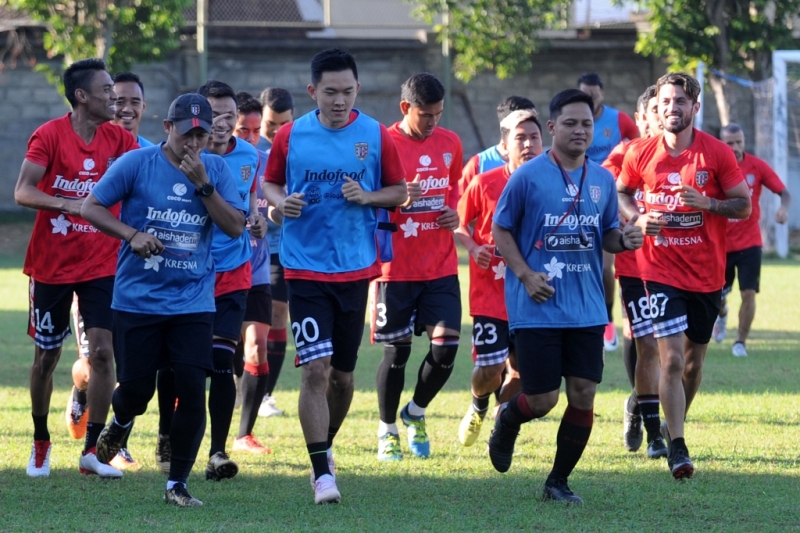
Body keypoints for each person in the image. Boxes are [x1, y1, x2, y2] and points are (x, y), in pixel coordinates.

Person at [84, 93, 245, 507]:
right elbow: (91, 206)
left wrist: (203, 186)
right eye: (186, 133)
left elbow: (233, 227)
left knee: (192, 387)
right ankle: (120, 422)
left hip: (193, 301)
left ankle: (176, 484)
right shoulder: (137, 164)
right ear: (167, 128)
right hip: (137, 300)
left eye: (201, 135)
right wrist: (132, 235)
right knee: (137, 391)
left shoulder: (218, 170)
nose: (193, 143)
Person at [263, 48, 407, 504]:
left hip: (355, 268)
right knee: (315, 372)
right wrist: (278, 203)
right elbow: (269, 183)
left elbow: (399, 193)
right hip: (303, 268)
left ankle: (326, 445)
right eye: (330, 92)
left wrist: (367, 197)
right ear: (313, 92)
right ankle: (322, 470)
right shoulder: (291, 136)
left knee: (343, 378)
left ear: (357, 90)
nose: (339, 100)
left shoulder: (376, 135)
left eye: (347, 91)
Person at [488, 88, 643, 505]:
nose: (579, 130)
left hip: (587, 307)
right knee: (541, 399)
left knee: (583, 394)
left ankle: (557, 481)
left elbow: (607, 234)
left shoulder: (603, 179)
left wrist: (624, 240)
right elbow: (500, 229)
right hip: (538, 306)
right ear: (553, 127)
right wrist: (523, 274)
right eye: (570, 123)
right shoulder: (527, 176)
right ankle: (507, 417)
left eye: (587, 124)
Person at [617, 72, 751, 480]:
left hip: (707, 275)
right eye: (665, 102)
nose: (671, 108)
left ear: (695, 108)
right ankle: (678, 447)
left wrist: (707, 203)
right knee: (670, 359)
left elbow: (742, 206)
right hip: (658, 271)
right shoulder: (640, 152)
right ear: (656, 108)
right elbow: (622, 192)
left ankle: (675, 423)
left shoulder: (717, 155)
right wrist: (639, 217)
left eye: (680, 101)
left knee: (692, 366)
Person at [14, 58, 138, 478]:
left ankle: (92, 452)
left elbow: (147, 175)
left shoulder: (120, 140)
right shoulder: (49, 135)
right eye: (106, 91)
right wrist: (68, 203)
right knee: (46, 357)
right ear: (82, 96)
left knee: (103, 354)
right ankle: (40, 441)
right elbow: (23, 191)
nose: (114, 99)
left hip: (102, 264)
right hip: (51, 266)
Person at [155, 80, 264, 479]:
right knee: (175, 366)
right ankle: (167, 433)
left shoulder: (251, 156)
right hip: (185, 273)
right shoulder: (171, 159)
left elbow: (252, 206)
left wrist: (257, 222)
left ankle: (218, 452)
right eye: (214, 115)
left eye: (229, 116)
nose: (221, 123)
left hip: (232, 272)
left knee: (221, 362)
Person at [371, 72, 463, 461]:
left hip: (440, 265)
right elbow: (366, 199)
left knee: (446, 350)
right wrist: (396, 199)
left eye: (439, 114)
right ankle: (387, 428)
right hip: (395, 269)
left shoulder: (451, 142)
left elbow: (455, 186)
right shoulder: (382, 143)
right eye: (426, 115)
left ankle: (416, 412)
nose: (433, 122)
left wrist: (453, 213)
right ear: (405, 108)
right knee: (397, 355)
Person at [65, 70, 154, 472]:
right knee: (98, 358)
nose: (126, 108)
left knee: (129, 361)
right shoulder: (85, 144)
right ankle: (81, 391)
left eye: (134, 101)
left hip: (133, 273)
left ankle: (116, 440)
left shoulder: (153, 153)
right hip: (90, 269)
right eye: (117, 100)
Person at [455, 109, 542, 447]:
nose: (529, 144)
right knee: (490, 370)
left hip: (533, 294)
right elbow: (461, 224)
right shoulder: (484, 183)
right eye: (520, 138)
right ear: (504, 146)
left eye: (534, 137)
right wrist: (474, 247)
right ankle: (478, 404)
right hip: (491, 294)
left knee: (526, 372)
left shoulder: (551, 182)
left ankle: (503, 419)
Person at [602, 85, 667, 458]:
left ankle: (636, 402)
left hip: (683, 267)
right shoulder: (625, 154)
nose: (663, 116)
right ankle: (655, 431)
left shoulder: (685, 153)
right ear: (642, 118)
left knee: (679, 353)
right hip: (638, 264)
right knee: (647, 344)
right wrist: (634, 220)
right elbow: (605, 188)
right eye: (655, 110)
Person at [712, 123, 791, 357]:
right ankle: (722, 314)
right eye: (729, 143)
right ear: (721, 143)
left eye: (739, 142)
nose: (735, 147)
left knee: (748, 293)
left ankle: (740, 343)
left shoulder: (756, 166)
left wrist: (783, 209)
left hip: (750, 243)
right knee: (717, 296)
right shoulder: (714, 166)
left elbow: (784, 193)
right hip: (720, 244)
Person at [578, 72, 640, 353]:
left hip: (612, 197)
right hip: (579, 197)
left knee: (609, 267)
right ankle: (594, 322)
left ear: (602, 93)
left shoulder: (619, 120)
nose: (590, 99)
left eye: (593, 94)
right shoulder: (575, 121)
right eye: (585, 94)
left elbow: (638, 149)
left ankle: (610, 320)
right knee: (586, 265)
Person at [230, 91, 274, 453]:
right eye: (244, 130)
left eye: (256, 130)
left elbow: (277, 206)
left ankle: (244, 433)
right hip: (219, 272)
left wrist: (268, 219)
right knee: (217, 356)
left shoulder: (269, 161)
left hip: (258, 269)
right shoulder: (217, 161)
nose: (251, 137)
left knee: (257, 346)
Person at [253, 86, 296, 418]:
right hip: (250, 246)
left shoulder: (300, 149)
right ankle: (245, 381)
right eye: (271, 124)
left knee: (278, 315)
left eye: (284, 124)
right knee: (248, 320)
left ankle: (265, 393)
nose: (276, 132)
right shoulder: (251, 150)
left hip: (282, 248)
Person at [459, 96, 536, 195]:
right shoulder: (479, 164)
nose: (533, 125)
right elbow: (459, 204)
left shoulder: (544, 164)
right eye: (525, 121)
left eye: (534, 120)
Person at [257, 87, 295, 153]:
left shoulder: (304, 146)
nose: (277, 131)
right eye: (271, 123)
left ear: (293, 114)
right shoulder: (249, 149)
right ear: (260, 116)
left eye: (284, 124)